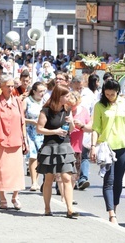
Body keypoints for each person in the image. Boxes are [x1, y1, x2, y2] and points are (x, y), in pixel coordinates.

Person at [90, 78, 125, 224]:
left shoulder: (124, 104)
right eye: (107, 94)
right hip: (107, 147)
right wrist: (93, 146)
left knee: (118, 180)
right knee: (109, 180)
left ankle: (114, 207)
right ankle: (111, 213)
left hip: (124, 145)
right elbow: (96, 128)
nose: (109, 96)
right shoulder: (99, 105)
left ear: (117, 92)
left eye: (112, 94)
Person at [36, 84, 78, 218]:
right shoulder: (46, 110)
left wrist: (71, 122)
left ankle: (70, 208)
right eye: (66, 96)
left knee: (67, 177)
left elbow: (71, 130)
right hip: (50, 146)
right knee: (49, 178)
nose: (68, 98)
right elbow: (39, 129)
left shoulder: (67, 109)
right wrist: (55, 131)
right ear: (58, 96)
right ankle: (47, 208)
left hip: (64, 145)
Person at [0, 74, 27, 210]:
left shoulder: (17, 101)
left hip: (16, 139)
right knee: (1, 169)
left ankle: (15, 196)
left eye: (12, 86)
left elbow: (22, 121)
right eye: (8, 86)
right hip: (1, 140)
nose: (11, 88)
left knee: (17, 170)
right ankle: (2, 197)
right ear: (2, 87)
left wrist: (25, 140)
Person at [24, 81, 46, 191]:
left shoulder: (45, 101)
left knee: (40, 157)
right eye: (40, 91)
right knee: (33, 156)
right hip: (30, 131)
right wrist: (31, 121)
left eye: (44, 91)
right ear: (34, 91)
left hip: (42, 133)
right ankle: (34, 181)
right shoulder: (27, 101)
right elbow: (20, 117)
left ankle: (37, 179)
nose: (42, 93)